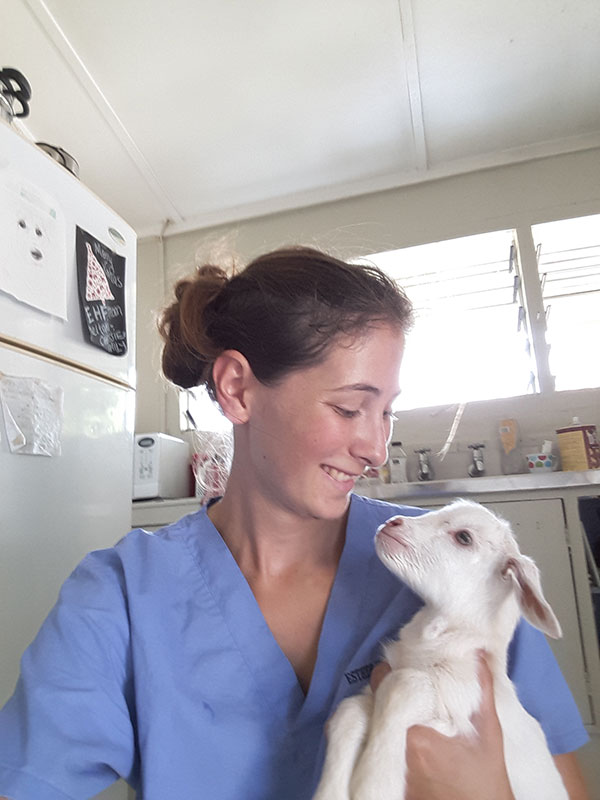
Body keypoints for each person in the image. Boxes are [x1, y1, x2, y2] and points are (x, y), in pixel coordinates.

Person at [0, 246, 590, 800]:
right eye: (349, 408)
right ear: (237, 389)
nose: (375, 449)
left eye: (387, 411)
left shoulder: (465, 571)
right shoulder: (121, 597)